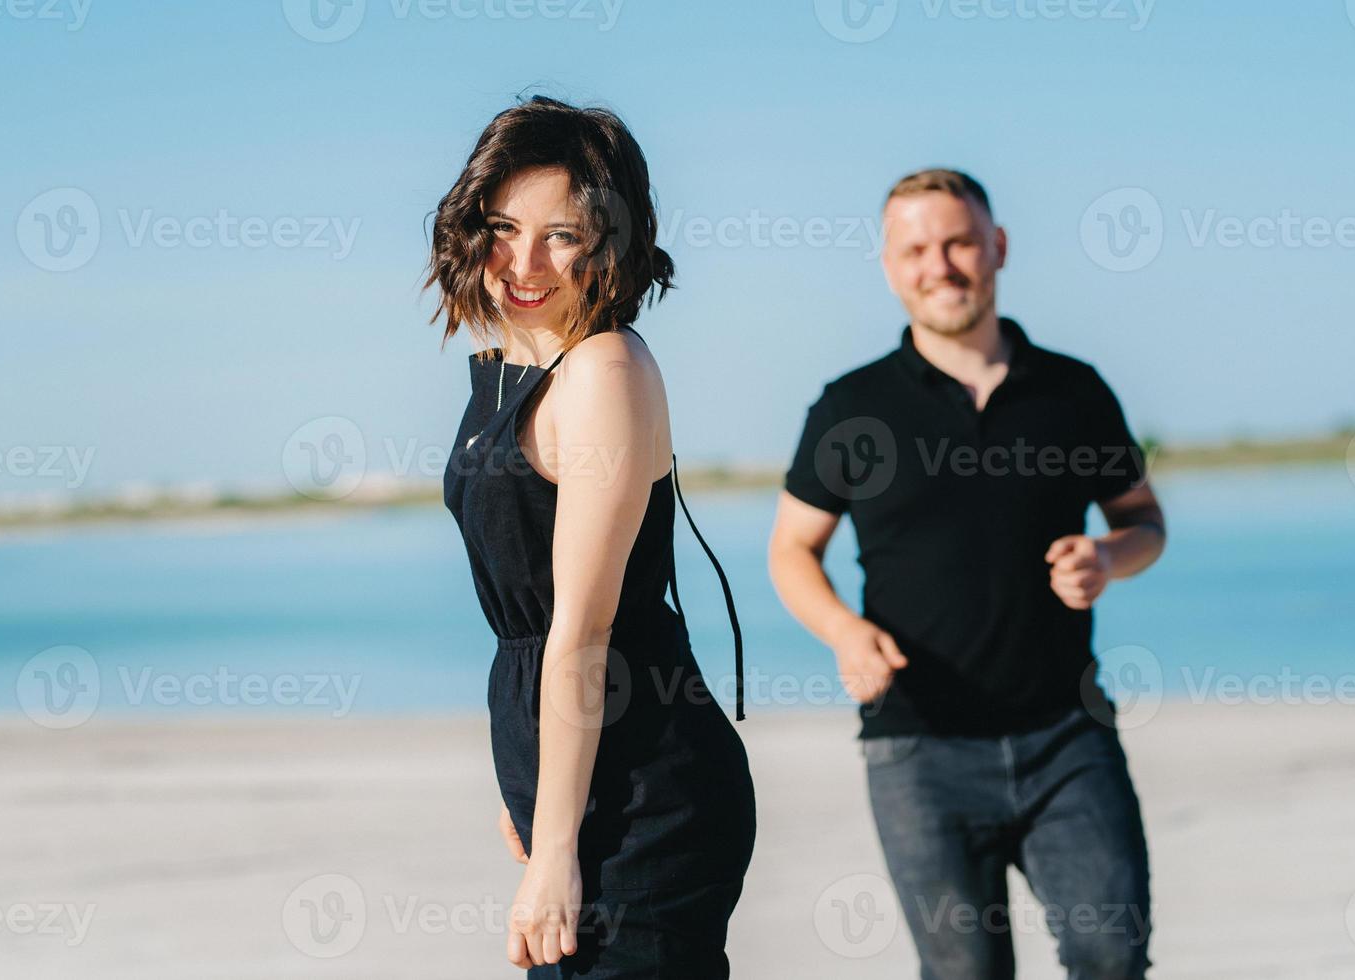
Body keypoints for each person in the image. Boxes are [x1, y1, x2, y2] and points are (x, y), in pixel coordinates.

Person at [769, 169, 1166, 979]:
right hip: (918, 749)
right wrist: (844, 631)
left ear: (998, 248)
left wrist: (1108, 558)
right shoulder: (851, 409)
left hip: (1068, 736)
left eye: (957, 242)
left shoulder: (1074, 392)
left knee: (1110, 954)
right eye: (916, 249)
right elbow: (790, 551)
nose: (940, 265)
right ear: (890, 266)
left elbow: (1143, 522)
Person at [430, 95, 755, 978]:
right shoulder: (510, 371)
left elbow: (580, 630)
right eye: (501, 226)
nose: (523, 261)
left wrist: (553, 850)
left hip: (644, 791)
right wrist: (529, 788)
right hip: (573, 780)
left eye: (561, 235)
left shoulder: (605, 370)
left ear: (610, 240)